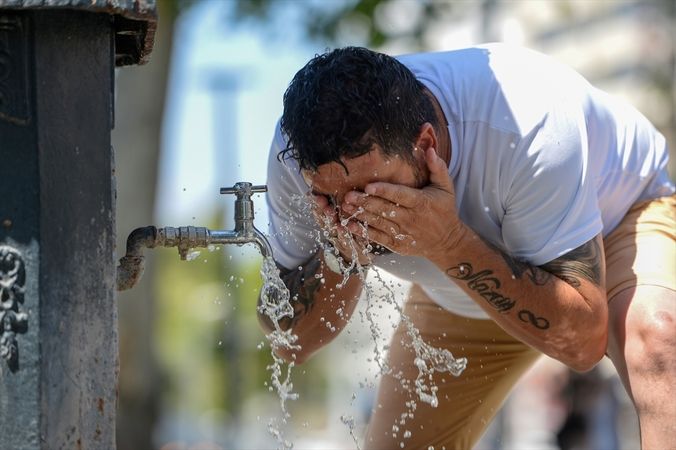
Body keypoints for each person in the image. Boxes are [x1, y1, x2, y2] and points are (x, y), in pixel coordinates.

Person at [257, 44, 675, 449]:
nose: (355, 214)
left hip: (620, 217)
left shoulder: (527, 118)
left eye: (375, 194)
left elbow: (583, 342)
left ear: (425, 145)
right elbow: (290, 343)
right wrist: (341, 254)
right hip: (459, 283)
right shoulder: (295, 160)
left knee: (657, 340)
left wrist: (449, 243)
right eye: (333, 201)